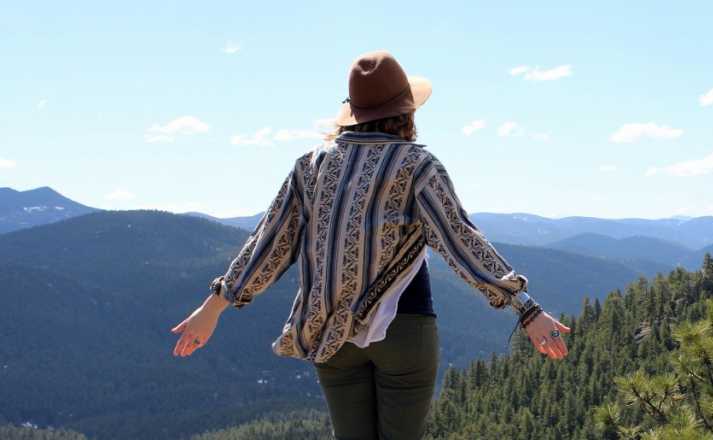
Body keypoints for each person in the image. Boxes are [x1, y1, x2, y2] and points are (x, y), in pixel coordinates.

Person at [169, 49, 571, 440]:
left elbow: (270, 244)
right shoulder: (416, 165)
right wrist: (526, 309)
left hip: (330, 331)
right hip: (404, 327)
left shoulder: (311, 165)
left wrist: (215, 306)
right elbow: (461, 242)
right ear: (405, 111)